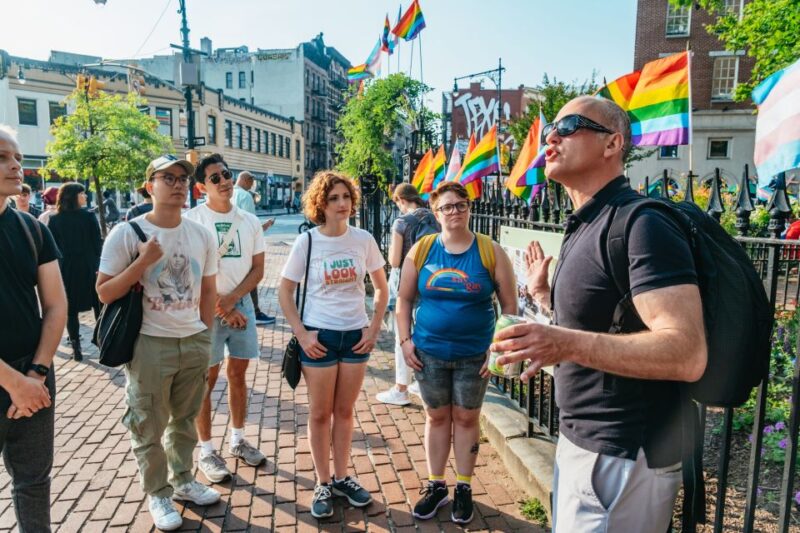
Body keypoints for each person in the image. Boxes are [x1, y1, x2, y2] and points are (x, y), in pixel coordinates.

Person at [490, 96, 707, 532]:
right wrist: (546, 297)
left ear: (612, 145)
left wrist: (563, 342)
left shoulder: (641, 222)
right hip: (581, 442)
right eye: (552, 126)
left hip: (622, 453)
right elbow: (610, 320)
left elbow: (686, 353)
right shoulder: (587, 221)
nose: (551, 135)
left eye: (568, 125)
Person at [97, 154, 220, 531]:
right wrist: (141, 262)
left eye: (184, 178)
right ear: (150, 186)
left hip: (194, 340)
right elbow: (103, 292)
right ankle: (158, 492)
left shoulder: (201, 233)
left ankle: (183, 480)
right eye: (169, 178)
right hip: (150, 343)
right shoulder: (127, 233)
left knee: (185, 419)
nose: (179, 184)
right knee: (148, 423)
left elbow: (208, 290)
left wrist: (204, 334)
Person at [395, 181, 517, 525]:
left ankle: (463, 485)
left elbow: (509, 307)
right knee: (436, 417)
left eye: (460, 205)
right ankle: (436, 485)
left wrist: (497, 354)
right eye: (447, 207)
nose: (455, 212)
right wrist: (405, 341)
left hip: (474, 356)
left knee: (465, 419)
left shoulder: (490, 251)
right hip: (427, 352)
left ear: (469, 208)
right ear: (436, 212)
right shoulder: (422, 249)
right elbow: (403, 300)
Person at [278, 171, 388, 519]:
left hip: (355, 336)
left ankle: (342, 477)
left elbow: (382, 288)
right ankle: (323, 482)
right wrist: (302, 333)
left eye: (346, 197)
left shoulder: (364, 240)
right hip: (319, 337)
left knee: (345, 412)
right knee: (319, 413)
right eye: (334, 199)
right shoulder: (307, 242)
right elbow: (284, 290)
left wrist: (374, 328)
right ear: (320, 205)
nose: (342, 204)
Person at [0, 124, 68, 532]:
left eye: (18, 159)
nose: (15, 167)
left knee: (33, 483)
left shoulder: (32, 229)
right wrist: (14, 383)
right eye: (2, 158)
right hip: (16, 379)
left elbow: (57, 305)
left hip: (34, 372)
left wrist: (36, 373)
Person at [185, 154, 268, 483]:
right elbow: (190, 272)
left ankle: (237, 439)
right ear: (202, 186)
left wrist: (234, 300)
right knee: (205, 381)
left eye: (226, 174)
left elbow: (259, 268)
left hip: (241, 304)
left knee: (238, 375)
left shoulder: (249, 221)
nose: (224, 181)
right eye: (215, 178)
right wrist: (222, 306)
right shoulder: (192, 220)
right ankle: (206, 450)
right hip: (205, 308)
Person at [376, 183, 439, 406]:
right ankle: (421, 384)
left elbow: (394, 261)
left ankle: (401, 388)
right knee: (422, 332)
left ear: (401, 200)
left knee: (402, 336)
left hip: (405, 280)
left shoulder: (402, 222)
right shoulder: (434, 217)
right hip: (430, 279)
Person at [48, 182, 102, 361]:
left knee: (71, 310)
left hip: (67, 269)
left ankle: (76, 348)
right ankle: (101, 340)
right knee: (98, 305)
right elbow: (97, 243)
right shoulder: (88, 217)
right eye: (82, 193)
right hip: (89, 266)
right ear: (74, 196)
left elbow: (52, 247)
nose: (85, 196)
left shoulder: (55, 219)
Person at [233, 170, 276, 325]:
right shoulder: (245, 196)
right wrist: (263, 227)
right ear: (245, 180)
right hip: (245, 244)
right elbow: (250, 225)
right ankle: (255, 312)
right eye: (251, 181)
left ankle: (241, 310)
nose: (252, 185)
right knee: (251, 277)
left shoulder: (229, 195)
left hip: (231, 244)